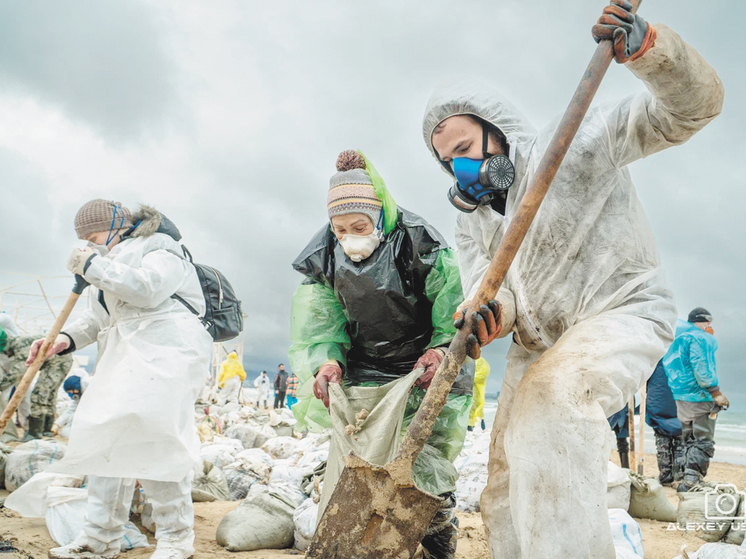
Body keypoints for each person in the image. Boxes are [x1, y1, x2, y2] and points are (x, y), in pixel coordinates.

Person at [421, 2, 723, 556]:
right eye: (447, 162)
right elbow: (495, 295)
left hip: (622, 310)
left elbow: (693, 109)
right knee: (506, 485)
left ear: (497, 130)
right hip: (540, 345)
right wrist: (488, 317)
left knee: (557, 406)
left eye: (464, 149)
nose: (458, 167)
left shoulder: (578, 142)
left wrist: (651, 51)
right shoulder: (475, 221)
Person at [290, 150, 473, 559]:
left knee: (423, 469)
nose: (350, 237)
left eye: (360, 226)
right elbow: (322, 322)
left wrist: (440, 351)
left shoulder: (416, 240)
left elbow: (453, 304)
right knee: (362, 467)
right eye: (340, 229)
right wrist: (328, 360)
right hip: (365, 373)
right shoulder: (324, 257)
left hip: (423, 368)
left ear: (381, 215)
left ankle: (440, 543)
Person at [27, 199, 213, 559]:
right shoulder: (105, 265)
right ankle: (100, 538)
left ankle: (176, 539)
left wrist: (93, 266)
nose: (92, 245)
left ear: (117, 226)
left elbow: (147, 289)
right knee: (104, 437)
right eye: (86, 241)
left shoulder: (159, 247)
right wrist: (62, 340)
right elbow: (99, 320)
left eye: (95, 236)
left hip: (167, 349)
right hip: (125, 355)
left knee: (156, 440)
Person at [663, 307, 726, 492]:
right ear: (703, 321)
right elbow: (702, 367)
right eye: (708, 322)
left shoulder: (678, 339)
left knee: (688, 437)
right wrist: (715, 392)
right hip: (700, 395)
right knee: (703, 440)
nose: (710, 326)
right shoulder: (701, 338)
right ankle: (691, 481)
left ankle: (684, 477)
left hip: (681, 396)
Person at [0, 331, 73, 441]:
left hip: (57, 360)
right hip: (63, 359)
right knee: (49, 396)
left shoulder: (21, 345)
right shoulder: (20, 342)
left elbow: (18, 370)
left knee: (39, 394)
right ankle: (46, 430)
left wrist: (1, 386)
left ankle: (34, 433)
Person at [646, 360, 684, 485]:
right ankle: (679, 475)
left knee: (662, 441)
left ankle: (665, 475)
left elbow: (644, 380)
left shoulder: (654, 358)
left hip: (658, 404)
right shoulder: (683, 358)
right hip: (679, 403)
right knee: (680, 442)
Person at [53, 373, 91, 438]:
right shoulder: (79, 393)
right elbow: (71, 410)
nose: (71, 394)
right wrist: (57, 424)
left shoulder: (90, 386)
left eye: (71, 392)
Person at [468, 357, 490, 431]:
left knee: (475, 405)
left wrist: (469, 378)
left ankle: (473, 426)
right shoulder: (466, 360)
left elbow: (483, 373)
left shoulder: (480, 361)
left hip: (475, 388)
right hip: (467, 389)